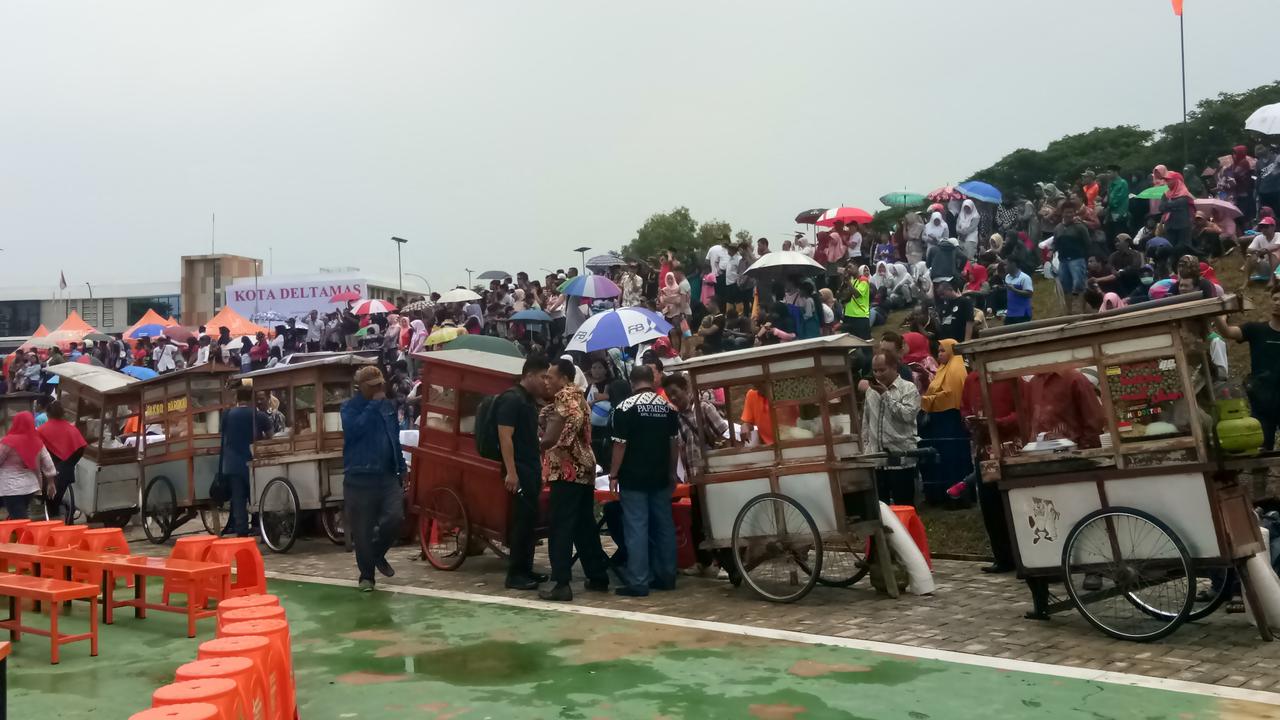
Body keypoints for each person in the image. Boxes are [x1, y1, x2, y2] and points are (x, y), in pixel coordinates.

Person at [537, 358, 609, 602]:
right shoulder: (578, 394)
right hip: (584, 468)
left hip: (566, 469)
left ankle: (561, 582)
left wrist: (558, 441)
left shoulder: (565, 395)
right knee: (584, 525)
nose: (546, 381)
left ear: (565, 378)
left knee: (560, 527)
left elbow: (574, 418)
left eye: (550, 376)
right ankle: (597, 575)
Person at [609, 365, 679, 597]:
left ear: (631, 382)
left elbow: (620, 444)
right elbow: (673, 443)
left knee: (636, 527)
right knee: (664, 526)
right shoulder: (668, 408)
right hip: (660, 475)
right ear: (653, 380)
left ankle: (639, 581)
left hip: (633, 477)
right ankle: (667, 576)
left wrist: (613, 474)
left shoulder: (624, 408)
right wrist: (671, 473)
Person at [340, 366, 406, 592]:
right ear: (361, 388)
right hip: (359, 476)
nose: (380, 389)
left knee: (395, 517)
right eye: (374, 386)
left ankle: (377, 552)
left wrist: (402, 467)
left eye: (381, 384)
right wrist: (373, 405)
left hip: (387, 474)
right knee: (362, 529)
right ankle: (366, 575)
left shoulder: (387, 406)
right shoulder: (349, 408)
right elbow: (355, 430)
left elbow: (394, 437)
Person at [497, 356, 550, 590]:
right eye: (542, 377)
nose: (545, 382)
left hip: (530, 468)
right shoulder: (511, 399)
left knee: (530, 521)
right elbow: (505, 436)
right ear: (528, 375)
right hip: (518, 469)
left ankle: (526, 569)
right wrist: (511, 472)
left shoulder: (528, 401)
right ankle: (515, 574)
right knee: (522, 521)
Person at [1214, 289, 1280, 451]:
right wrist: (1219, 313)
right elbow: (1227, 332)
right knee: (1261, 452)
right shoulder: (1256, 330)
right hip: (1262, 401)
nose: (1277, 303)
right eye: (1275, 299)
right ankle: (1260, 476)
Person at [862, 350, 922, 506]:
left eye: (882, 370)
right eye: (875, 370)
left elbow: (908, 416)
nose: (878, 374)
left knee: (904, 505)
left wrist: (885, 395)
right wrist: (866, 448)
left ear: (894, 367)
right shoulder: (870, 391)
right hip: (877, 459)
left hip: (901, 458)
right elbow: (866, 421)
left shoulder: (908, 389)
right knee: (881, 509)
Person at [919, 339, 972, 504]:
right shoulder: (942, 369)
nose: (939, 354)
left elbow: (951, 394)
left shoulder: (957, 369)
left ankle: (959, 497)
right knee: (943, 459)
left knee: (955, 459)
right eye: (939, 351)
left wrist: (928, 400)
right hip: (939, 420)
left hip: (952, 420)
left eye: (943, 351)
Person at [219, 385, 270, 538]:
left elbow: (223, 433)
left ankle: (241, 532)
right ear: (252, 398)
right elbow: (270, 436)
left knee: (238, 498)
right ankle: (258, 525)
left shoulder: (227, 415)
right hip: (253, 461)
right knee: (257, 496)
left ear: (237, 398)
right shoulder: (258, 415)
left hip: (233, 464)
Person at [37, 401, 86, 523]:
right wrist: (70, 463)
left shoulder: (42, 430)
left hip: (50, 470)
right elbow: (81, 447)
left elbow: (38, 450)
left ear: (48, 414)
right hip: (67, 469)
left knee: (49, 499)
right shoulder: (71, 429)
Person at [0, 412, 55, 519]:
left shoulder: (7, 442)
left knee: (19, 518)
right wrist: (51, 482)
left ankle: (25, 535)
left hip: (10, 488)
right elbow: (48, 463)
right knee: (17, 513)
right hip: (30, 487)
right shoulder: (37, 442)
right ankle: (14, 533)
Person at [1053, 203, 1091, 314]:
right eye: (1066, 212)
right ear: (1062, 213)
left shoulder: (1080, 227)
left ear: (1074, 213)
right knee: (1066, 286)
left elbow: (1088, 243)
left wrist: (1086, 258)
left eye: (1071, 212)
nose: (1069, 214)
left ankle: (1082, 310)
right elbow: (1055, 243)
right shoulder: (1058, 228)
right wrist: (1052, 252)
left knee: (1079, 285)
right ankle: (1069, 312)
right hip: (1063, 260)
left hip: (1077, 259)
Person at [1159, 171, 1196, 256]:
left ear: (1176, 180)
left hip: (1183, 225)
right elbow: (1161, 207)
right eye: (1166, 180)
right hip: (1170, 226)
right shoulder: (1166, 194)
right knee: (1170, 247)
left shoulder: (1184, 193)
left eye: (1169, 180)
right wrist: (1172, 205)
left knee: (1184, 248)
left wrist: (1168, 205)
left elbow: (1181, 203)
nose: (1167, 183)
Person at [840, 265, 871, 340]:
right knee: (849, 343)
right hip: (848, 315)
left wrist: (848, 282)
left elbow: (857, 294)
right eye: (847, 268)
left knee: (864, 343)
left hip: (860, 316)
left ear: (857, 268)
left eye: (851, 267)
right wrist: (843, 280)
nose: (849, 269)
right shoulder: (850, 281)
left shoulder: (863, 280)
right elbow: (841, 296)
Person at [1004, 258, 1034, 325]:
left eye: (1006, 265)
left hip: (1023, 313)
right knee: (1006, 332)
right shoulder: (1007, 277)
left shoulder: (1025, 278)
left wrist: (1014, 290)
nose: (1004, 267)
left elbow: (1029, 294)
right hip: (1011, 312)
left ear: (1013, 264)